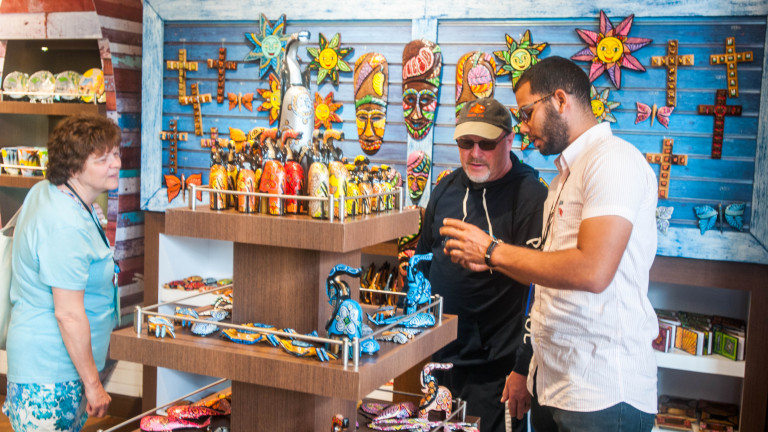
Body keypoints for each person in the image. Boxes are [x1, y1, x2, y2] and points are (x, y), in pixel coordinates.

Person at [440, 56, 659, 432]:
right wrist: (527, 367)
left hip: (603, 394)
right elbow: (547, 283)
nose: (524, 128)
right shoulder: (563, 178)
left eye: (527, 113)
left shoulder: (612, 161)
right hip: (556, 384)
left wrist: (492, 251)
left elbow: (592, 270)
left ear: (559, 100)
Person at [414, 97, 547, 432]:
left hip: (498, 372)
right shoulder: (445, 187)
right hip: (442, 361)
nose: (475, 153)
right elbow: (423, 259)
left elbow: (542, 291)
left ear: (509, 140)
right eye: (465, 142)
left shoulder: (530, 195)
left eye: (486, 144)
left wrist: (523, 367)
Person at [3, 115, 122, 431]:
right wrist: (93, 385)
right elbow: (68, 314)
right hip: (51, 374)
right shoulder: (64, 225)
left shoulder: (48, 191)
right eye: (102, 159)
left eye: (115, 154)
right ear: (73, 168)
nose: (115, 164)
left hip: (52, 369)